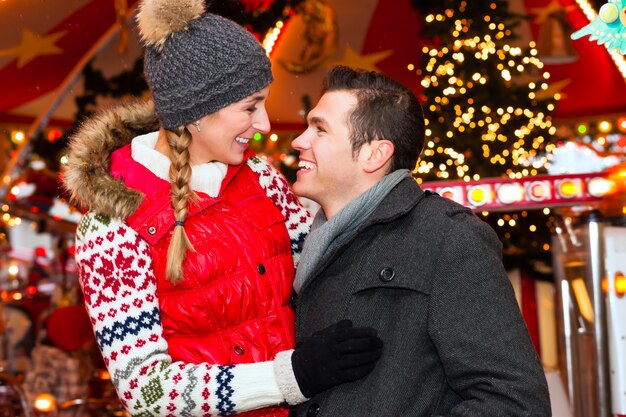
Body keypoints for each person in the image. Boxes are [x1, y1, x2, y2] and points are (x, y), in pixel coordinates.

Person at [62, 1, 383, 415]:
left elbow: (321, 276)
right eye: (250, 106)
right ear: (196, 113)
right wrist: (292, 376)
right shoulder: (110, 229)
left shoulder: (261, 179)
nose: (265, 124)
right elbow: (145, 390)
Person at [288, 65, 552, 416]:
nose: (298, 141)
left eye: (319, 129)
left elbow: (514, 402)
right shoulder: (307, 240)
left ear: (373, 154)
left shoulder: (446, 237)